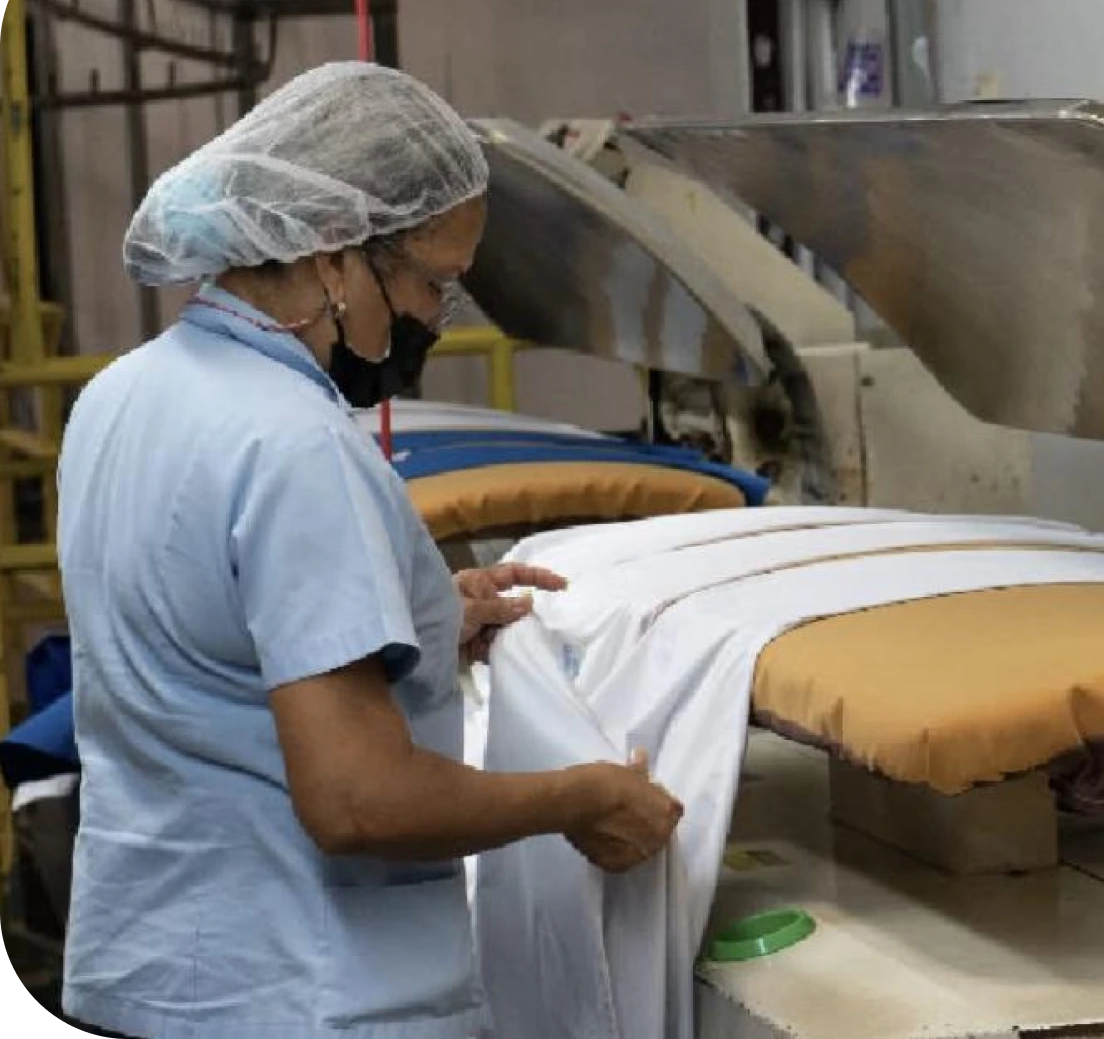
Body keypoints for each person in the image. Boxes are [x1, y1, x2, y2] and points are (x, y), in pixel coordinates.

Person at [54, 61, 683, 1039]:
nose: (434, 317)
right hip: (304, 993)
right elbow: (358, 800)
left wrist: (420, 615)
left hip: (157, 974)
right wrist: (582, 799)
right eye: (432, 283)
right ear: (333, 257)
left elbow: (204, 641)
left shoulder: (122, 395)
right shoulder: (297, 445)